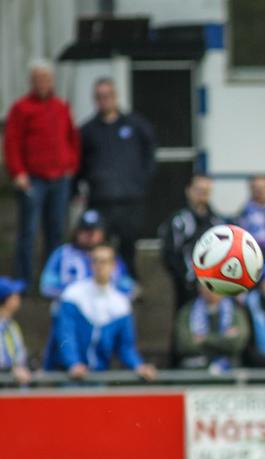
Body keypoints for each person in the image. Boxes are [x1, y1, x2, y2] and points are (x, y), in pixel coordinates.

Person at [3, 59, 80, 288]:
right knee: (28, 231)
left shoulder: (61, 106)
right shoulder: (21, 108)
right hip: (33, 179)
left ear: (52, 80)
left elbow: (72, 138)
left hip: (59, 178)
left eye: (46, 78)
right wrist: (18, 173)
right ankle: (23, 280)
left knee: (56, 230)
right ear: (31, 81)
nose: (43, 83)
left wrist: (71, 164)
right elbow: (12, 143)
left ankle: (52, 279)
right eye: (38, 79)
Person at [76, 78, 156, 279]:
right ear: (95, 99)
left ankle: (129, 283)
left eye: (108, 96)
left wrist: (141, 181)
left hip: (130, 199)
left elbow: (150, 153)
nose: (105, 100)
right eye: (100, 96)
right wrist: (77, 188)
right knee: (100, 246)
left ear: (115, 96)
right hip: (101, 199)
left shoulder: (135, 125)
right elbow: (79, 163)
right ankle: (100, 282)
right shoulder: (87, 130)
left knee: (128, 244)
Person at [44, 244, 156, 381]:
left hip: (99, 376)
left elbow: (126, 346)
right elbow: (66, 335)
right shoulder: (73, 295)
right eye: (95, 261)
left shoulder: (120, 304)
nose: (99, 266)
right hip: (68, 375)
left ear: (113, 265)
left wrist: (138, 365)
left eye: (104, 261)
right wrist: (73, 363)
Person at [159, 174, 226, 311]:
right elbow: (169, 255)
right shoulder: (178, 221)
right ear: (188, 190)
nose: (202, 195)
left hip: (216, 286)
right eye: (199, 190)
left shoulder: (218, 222)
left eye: (206, 191)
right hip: (186, 287)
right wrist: (187, 279)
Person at [39, 209, 135, 301]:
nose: (90, 235)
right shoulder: (62, 253)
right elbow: (47, 286)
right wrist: (79, 294)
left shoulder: (108, 254)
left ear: (102, 233)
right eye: (85, 231)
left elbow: (128, 287)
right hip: (72, 309)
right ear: (77, 232)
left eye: (94, 231)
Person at [174, 281, 249, 370]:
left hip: (229, 371)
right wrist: (223, 339)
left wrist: (203, 339)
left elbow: (237, 344)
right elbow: (184, 345)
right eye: (207, 285)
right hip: (195, 371)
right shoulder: (187, 312)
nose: (211, 290)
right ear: (199, 288)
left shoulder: (235, 312)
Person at [235, 175, 265, 260]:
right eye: (256, 188)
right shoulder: (245, 211)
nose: (259, 191)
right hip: (251, 254)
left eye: (262, 188)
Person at [0, 277, 30, 386]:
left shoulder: (12, 325)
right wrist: (10, 371)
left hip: (15, 387)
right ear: (5, 299)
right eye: (14, 295)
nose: (18, 297)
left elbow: (19, 356)